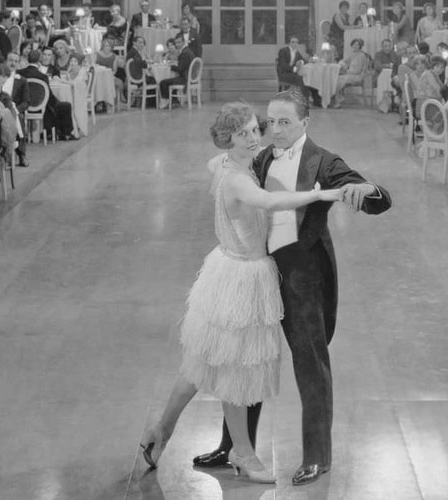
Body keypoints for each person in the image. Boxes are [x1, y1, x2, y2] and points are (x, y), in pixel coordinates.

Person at [191, 89, 391, 486]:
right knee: (246, 361)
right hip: (259, 275)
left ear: (305, 122)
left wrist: (368, 190)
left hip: (303, 280)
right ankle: (234, 446)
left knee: (310, 366)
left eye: (285, 122)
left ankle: (317, 456)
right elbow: (224, 165)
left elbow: (376, 197)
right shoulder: (261, 155)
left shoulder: (324, 161)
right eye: (271, 122)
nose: (274, 130)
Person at [139, 101, 344, 483]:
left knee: (201, 363)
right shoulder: (236, 177)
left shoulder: (222, 166)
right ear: (227, 140)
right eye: (242, 134)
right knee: (235, 366)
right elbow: (268, 202)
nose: (253, 138)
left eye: (255, 129)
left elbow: (212, 166)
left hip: (227, 268)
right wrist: (318, 196)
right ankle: (243, 453)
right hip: (243, 276)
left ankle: (159, 432)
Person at [18, 50, 76, 140]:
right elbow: (47, 94)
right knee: (65, 106)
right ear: (39, 60)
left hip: (24, 105)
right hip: (41, 104)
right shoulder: (42, 76)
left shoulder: (20, 72)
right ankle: (65, 133)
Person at [277, 36, 322, 107]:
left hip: (293, 74)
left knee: (308, 78)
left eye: (296, 42)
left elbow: (303, 60)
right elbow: (282, 65)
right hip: (284, 74)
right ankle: (304, 101)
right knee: (302, 79)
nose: (295, 44)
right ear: (289, 43)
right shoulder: (283, 51)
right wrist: (294, 69)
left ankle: (312, 101)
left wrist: (301, 61)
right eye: (293, 42)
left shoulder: (296, 52)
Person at [159, 35, 195, 108]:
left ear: (183, 42)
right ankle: (175, 101)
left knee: (163, 82)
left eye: (179, 42)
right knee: (171, 79)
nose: (177, 44)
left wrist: (170, 66)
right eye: (176, 43)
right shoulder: (188, 51)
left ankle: (167, 103)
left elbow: (179, 69)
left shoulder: (185, 53)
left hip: (185, 78)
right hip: (189, 76)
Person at [332, 38, 368, 109]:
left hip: (357, 76)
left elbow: (357, 71)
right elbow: (343, 61)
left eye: (357, 44)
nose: (355, 46)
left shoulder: (361, 55)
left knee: (338, 79)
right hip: (351, 74)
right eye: (354, 44)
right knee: (336, 78)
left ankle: (337, 101)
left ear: (360, 46)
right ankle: (337, 99)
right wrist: (342, 64)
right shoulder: (353, 54)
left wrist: (345, 71)